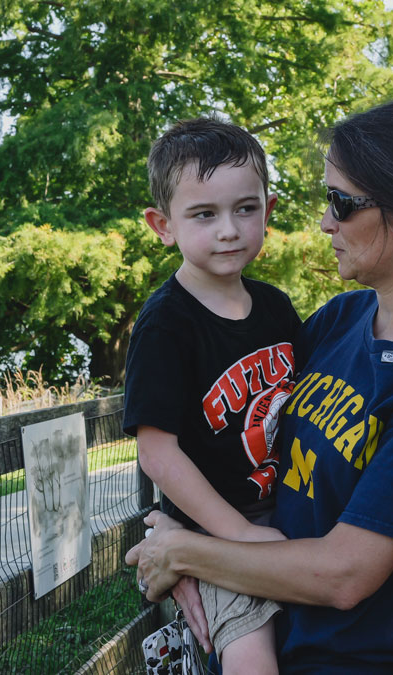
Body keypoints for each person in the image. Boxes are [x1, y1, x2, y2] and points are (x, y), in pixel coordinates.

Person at [126, 97, 393, 673]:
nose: (324, 223)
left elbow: (345, 575)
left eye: (341, 204)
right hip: (265, 633)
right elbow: (200, 432)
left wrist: (188, 553)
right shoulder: (338, 322)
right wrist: (181, 532)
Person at [122, 118, 303, 674]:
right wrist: (239, 535)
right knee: (252, 654)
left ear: (267, 211)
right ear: (163, 224)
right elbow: (157, 452)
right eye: (204, 214)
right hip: (213, 530)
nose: (229, 229)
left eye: (245, 209)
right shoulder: (165, 325)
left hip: (288, 510)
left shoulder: (276, 309)